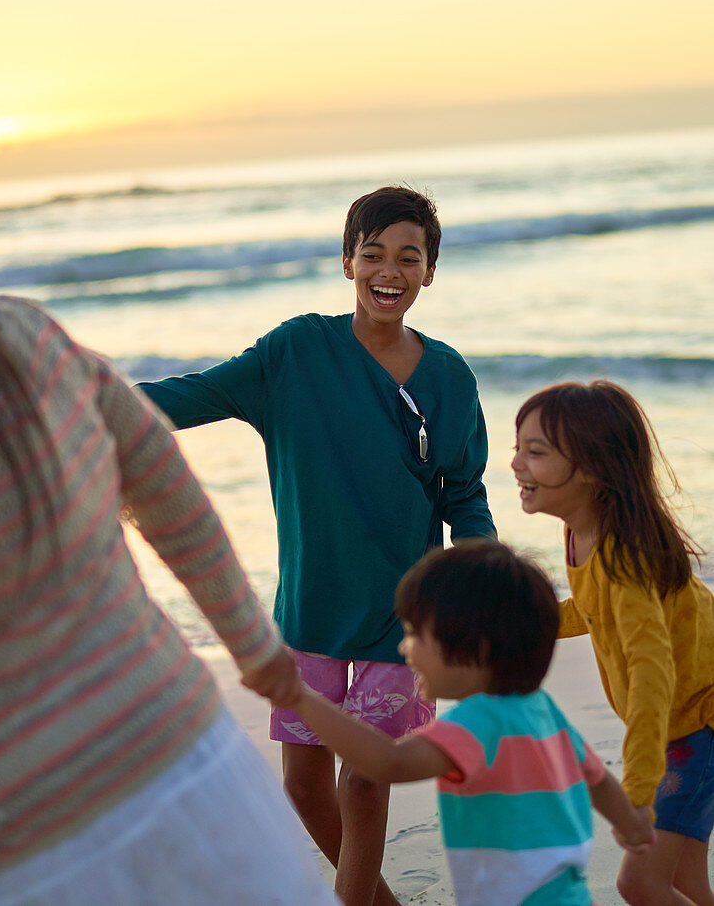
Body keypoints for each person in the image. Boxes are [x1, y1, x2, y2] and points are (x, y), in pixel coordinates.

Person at [139, 184, 496, 906]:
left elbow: (466, 498)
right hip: (309, 613)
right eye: (374, 254)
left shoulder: (450, 377)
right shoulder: (295, 352)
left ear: (430, 272)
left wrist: (479, 597)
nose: (389, 270)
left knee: (366, 782)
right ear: (346, 262)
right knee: (304, 786)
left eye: (409, 256)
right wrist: (70, 400)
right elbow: (191, 395)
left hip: (403, 622)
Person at [0, 295, 335, 905]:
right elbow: (160, 477)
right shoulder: (20, 335)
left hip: (22, 839)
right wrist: (255, 648)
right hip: (187, 759)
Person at [267, 540, 651, 906]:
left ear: (475, 648)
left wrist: (301, 698)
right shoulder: (542, 710)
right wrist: (630, 826)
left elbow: (388, 763)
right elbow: (596, 778)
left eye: (417, 635)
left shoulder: (474, 726)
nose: (405, 648)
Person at [512, 380, 714, 906]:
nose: (516, 464)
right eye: (518, 448)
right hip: (685, 722)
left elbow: (653, 674)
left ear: (593, 470)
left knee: (640, 882)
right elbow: (593, 610)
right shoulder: (585, 533)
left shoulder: (624, 559)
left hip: (701, 724)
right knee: (683, 885)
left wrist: (640, 794)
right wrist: (522, 625)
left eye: (535, 452)